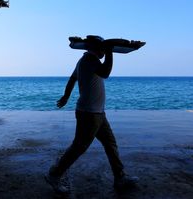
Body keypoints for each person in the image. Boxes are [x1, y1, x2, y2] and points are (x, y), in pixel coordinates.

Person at [46, 36, 138, 194]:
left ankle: (120, 177)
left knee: (110, 144)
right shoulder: (89, 60)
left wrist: (66, 96)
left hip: (98, 113)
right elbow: (105, 73)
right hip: (89, 113)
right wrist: (110, 52)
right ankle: (54, 175)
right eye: (103, 48)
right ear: (98, 48)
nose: (104, 51)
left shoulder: (85, 60)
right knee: (79, 147)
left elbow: (72, 79)